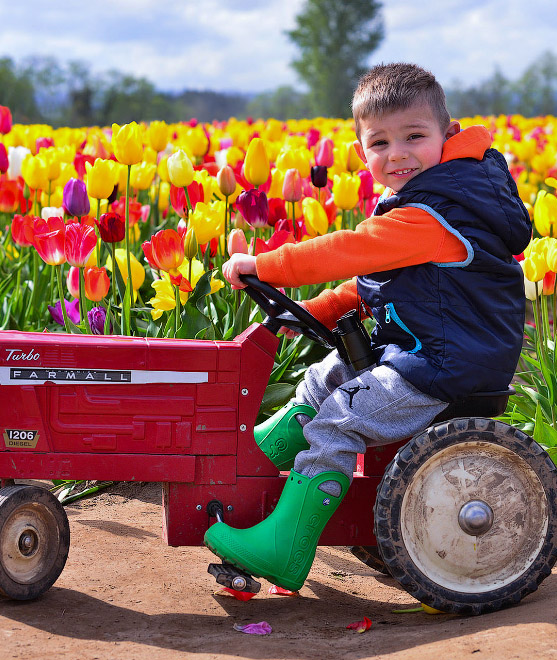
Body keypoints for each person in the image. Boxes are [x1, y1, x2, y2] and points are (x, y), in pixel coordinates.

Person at [204, 62, 533, 591]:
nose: (397, 153)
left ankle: (284, 546)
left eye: (414, 137)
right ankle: (252, 472)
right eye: (380, 142)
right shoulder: (425, 199)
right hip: (420, 350)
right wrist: (319, 309)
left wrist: (266, 266)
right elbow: (374, 280)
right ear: (362, 152)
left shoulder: (436, 212)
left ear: (447, 137)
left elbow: (354, 250)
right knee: (322, 381)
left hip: (448, 365)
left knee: (337, 420)